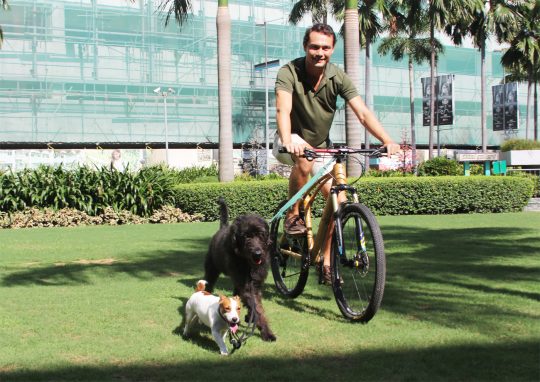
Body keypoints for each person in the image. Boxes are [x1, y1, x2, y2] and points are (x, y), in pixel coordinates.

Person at [273, 23, 400, 284]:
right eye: (314, 47)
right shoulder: (289, 72)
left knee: (339, 202)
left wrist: (387, 140)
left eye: (326, 48)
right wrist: (288, 140)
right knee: (304, 157)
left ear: (333, 49)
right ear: (305, 47)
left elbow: (363, 113)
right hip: (289, 141)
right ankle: (293, 214)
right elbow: (282, 111)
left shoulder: (337, 77)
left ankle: (327, 263)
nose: (320, 52)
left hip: (320, 147)